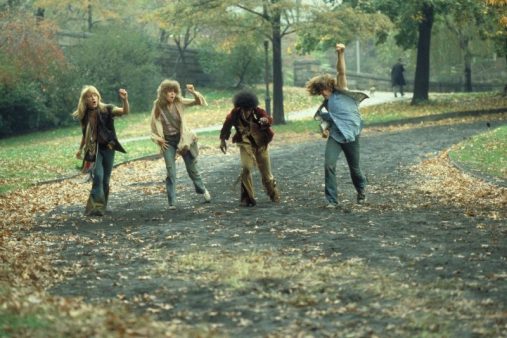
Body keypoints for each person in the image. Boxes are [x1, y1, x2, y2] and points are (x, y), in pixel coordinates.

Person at [306, 43, 368, 208]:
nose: (323, 94)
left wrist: (340, 54)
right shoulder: (326, 103)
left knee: (354, 169)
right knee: (329, 165)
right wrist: (325, 129)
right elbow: (328, 119)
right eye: (320, 92)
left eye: (323, 90)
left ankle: (361, 190)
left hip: (351, 135)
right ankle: (332, 200)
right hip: (336, 136)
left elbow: (341, 72)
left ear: (329, 85)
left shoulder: (341, 90)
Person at [150, 79, 211, 209]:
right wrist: (158, 139)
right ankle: (172, 201)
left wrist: (193, 92)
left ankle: (202, 189)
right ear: (163, 93)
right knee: (171, 171)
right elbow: (153, 126)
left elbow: (198, 102)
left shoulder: (179, 102)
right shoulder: (157, 106)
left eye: (174, 91)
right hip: (167, 142)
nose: (172, 94)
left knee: (191, 169)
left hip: (183, 140)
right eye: (169, 92)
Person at [73, 85, 129, 216]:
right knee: (98, 176)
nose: (92, 98)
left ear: (98, 97)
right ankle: (96, 207)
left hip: (109, 148)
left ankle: (100, 206)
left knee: (105, 179)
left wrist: (125, 100)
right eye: (88, 96)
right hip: (94, 150)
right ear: (85, 100)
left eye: (94, 95)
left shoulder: (107, 109)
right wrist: (80, 149)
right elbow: (85, 134)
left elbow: (124, 111)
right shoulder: (85, 115)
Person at [219, 90, 280, 207]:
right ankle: (247, 198)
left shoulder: (258, 112)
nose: (247, 112)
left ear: (252, 107)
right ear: (240, 107)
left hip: (261, 145)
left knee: (267, 174)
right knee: (246, 168)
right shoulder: (234, 114)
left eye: (249, 109)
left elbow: (268, 118)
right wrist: (222, 140)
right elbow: (226, 126)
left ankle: (273, 193)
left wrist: (265, 121)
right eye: (245, 109)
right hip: (245, 145)